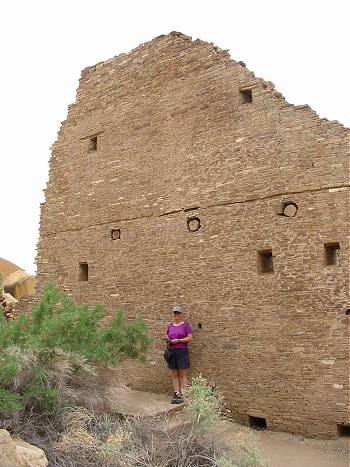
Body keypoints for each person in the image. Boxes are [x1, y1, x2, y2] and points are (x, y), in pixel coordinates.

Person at [166, 305, 193, 404]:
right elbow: (167, 335)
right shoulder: (170, 325)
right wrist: (168, 340)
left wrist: (179, 340)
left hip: (182, 351)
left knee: (182, 373)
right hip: (172, 351)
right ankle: (176, 393)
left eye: (178, 313)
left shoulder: (185, 325)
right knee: (174, 373)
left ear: (181, 314)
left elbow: (190, 338)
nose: (176, 315)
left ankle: (184, 393)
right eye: (175, 313)